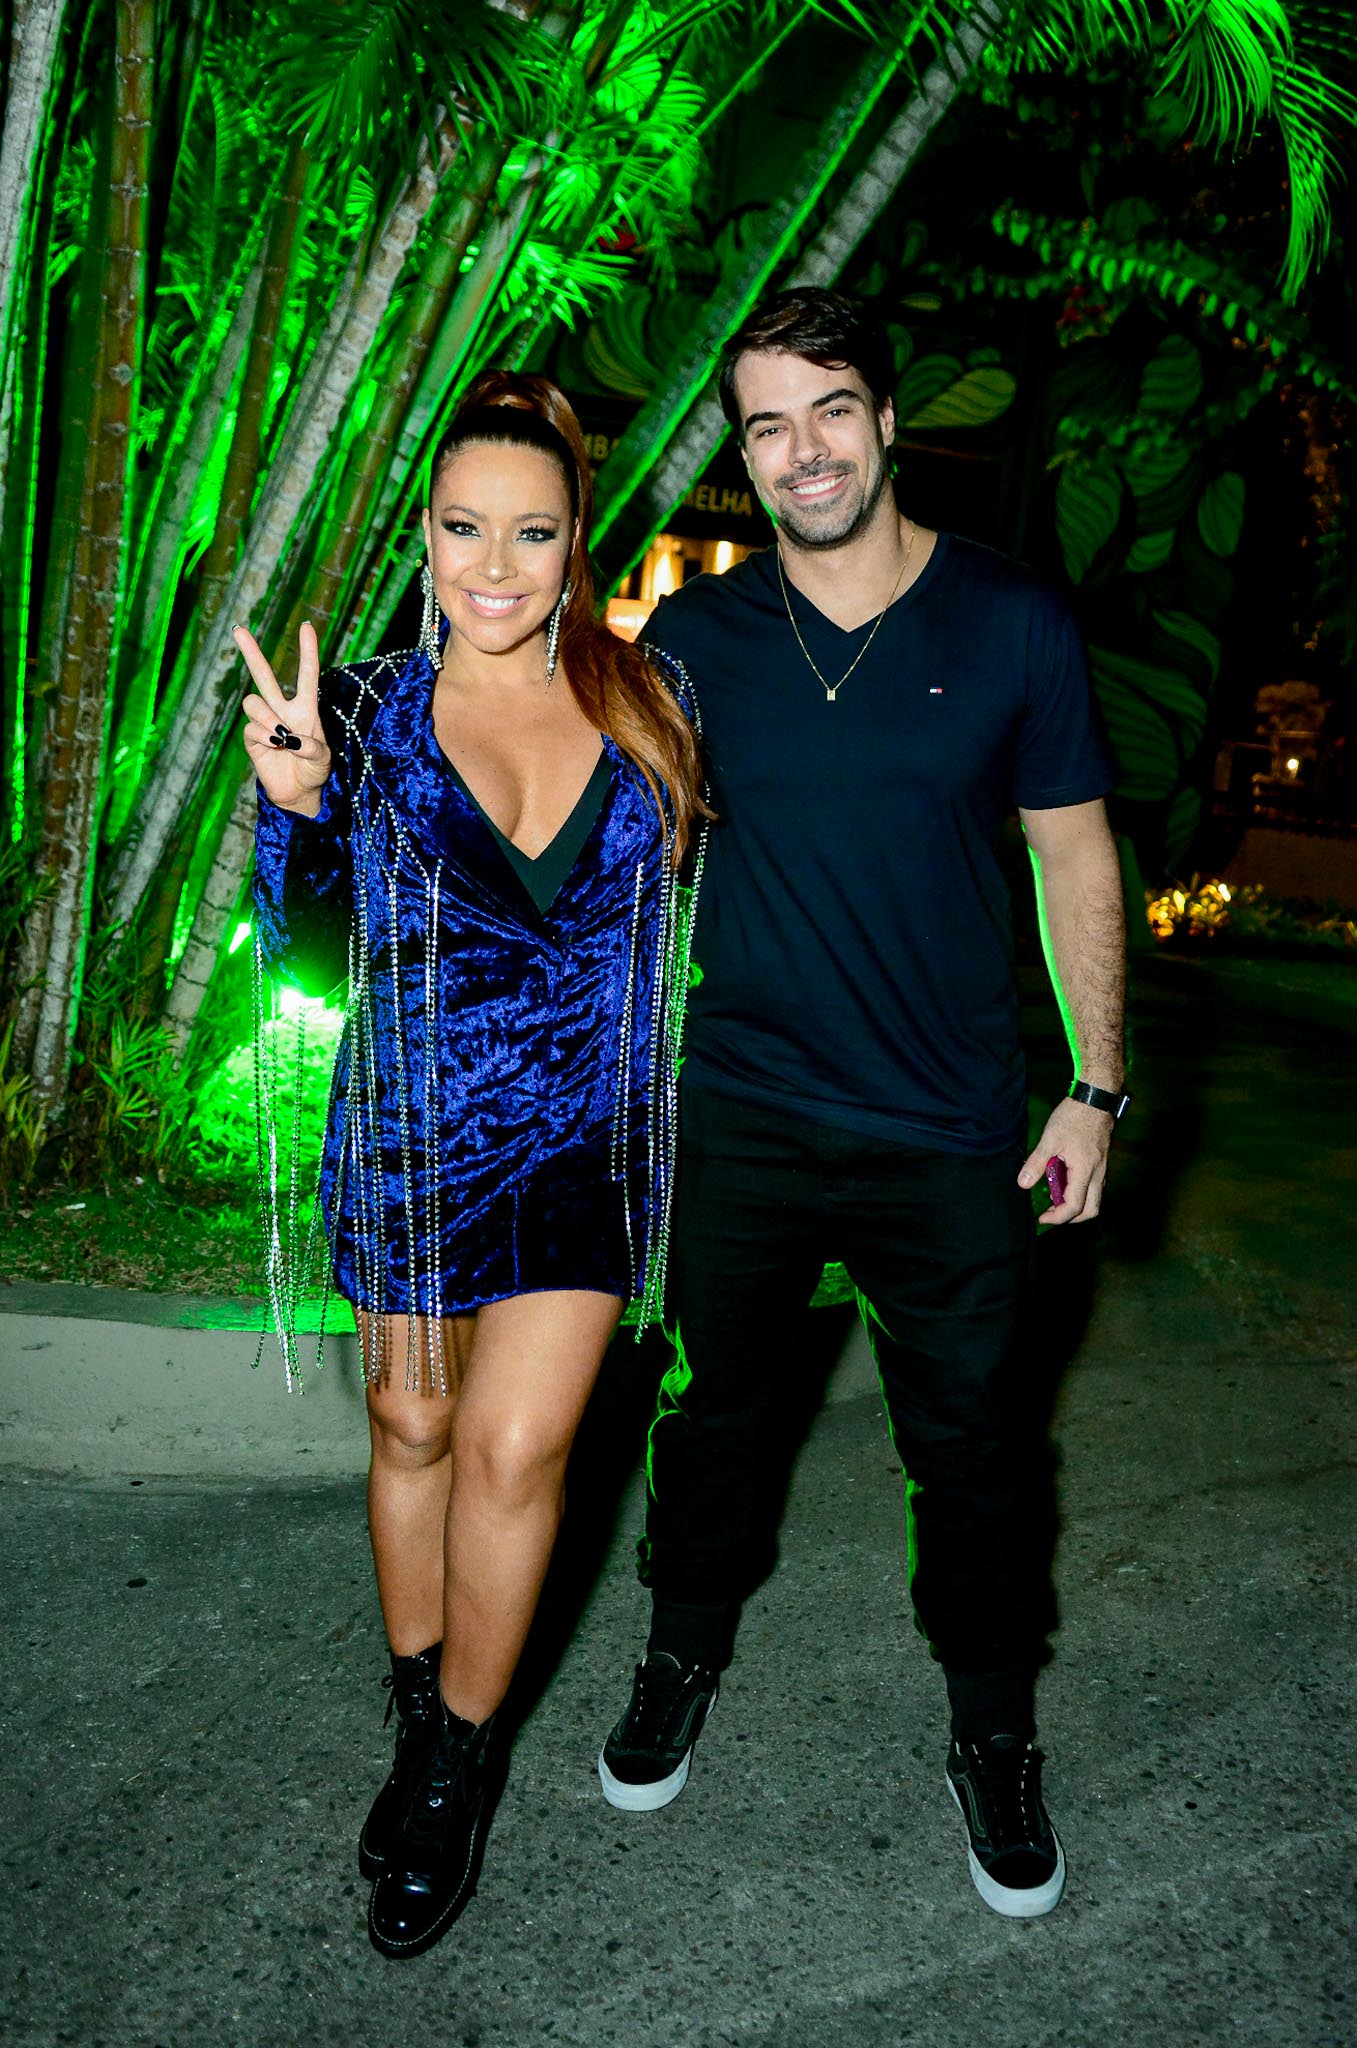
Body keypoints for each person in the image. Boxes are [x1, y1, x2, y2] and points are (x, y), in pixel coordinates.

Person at [596, 288, 1128, 1921]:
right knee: (713, 1420)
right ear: (744, 457)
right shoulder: (698, 642)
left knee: (970, 1451)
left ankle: (991, 1734)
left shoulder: (1010, 622)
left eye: (828, 409)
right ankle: (680, 1650)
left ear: (889, 422)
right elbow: (594, 846)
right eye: (764, 424)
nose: (800, 450)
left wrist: (1092, 1088)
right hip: (743, 1103)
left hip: (954, 1120)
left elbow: (1073, 855)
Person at [236, 370, 709, 1960]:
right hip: (415, 1139)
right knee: (414, 1421)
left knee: (513, 1452)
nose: (493, 566)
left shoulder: (652, 706)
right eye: (462, 530)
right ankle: (413, 1689)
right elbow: (303, 948)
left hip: (582, 1147)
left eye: (530, 531)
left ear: (577, 542)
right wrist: (290, 805)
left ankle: (449, 1769)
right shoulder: (358, 714)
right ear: (423, 538)